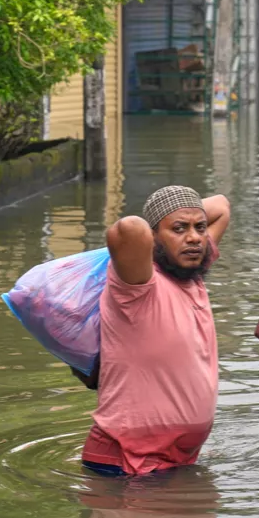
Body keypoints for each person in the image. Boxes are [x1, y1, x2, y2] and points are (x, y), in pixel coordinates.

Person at [81, 186, 231, 476]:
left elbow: (222, 205)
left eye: (200, 228)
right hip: (125, 466)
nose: (195, 238)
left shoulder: (193, 273)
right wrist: (165, 215)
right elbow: (128, 229)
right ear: (153, 240)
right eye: (179, 228)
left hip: (177, 463)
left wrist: (180, 213)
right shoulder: (138, 285)